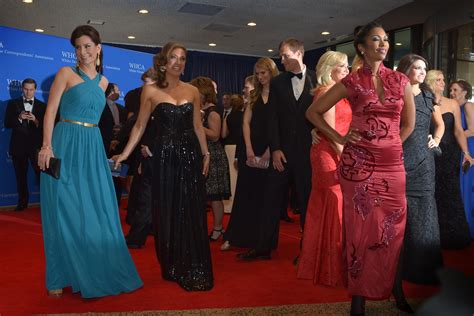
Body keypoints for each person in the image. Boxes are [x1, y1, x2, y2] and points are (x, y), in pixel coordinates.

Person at [306, 22, 415, 315]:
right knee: (361, 232)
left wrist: (390, 145)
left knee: (394, 228)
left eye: (386, 40)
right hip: (358, 167)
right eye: (375, 40)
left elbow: (409, 124)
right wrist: (341, 138)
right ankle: (358, 300)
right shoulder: (352, 82)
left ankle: (397, 290)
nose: (383, 44)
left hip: (392, 166)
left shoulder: (401, 81)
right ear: (361, 47)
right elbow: (313, 112)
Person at [37, 25, 143, 298]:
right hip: (65, 141)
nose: (82, 52)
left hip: (92, 147)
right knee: (62, 210)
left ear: (98, 49)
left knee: (95, 210)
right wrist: (47, 146)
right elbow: (50, 112)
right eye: (77, 47)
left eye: (87, 46)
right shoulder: (65, 74)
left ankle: (93, 268)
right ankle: (59, 274)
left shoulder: (105, 84)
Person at [113, 42, 213, 291]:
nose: (178, 63)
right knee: (168, 210)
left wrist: (206, 153)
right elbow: (139, 126)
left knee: (190, 208)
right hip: (164, 158)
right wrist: (124, 154)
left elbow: (198, 127)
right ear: (163, 61)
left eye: (183, 59)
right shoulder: (151, 91)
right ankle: (173, 263)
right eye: (173, 58)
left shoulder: (192, 91)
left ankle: (193, 262)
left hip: (190, 156)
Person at [237, 38, 316, 261]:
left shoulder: (317, 79)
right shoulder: (279, 82)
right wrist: (276, 148)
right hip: (282, 153)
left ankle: (307, 251)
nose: (281, 60)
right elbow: (272, 119)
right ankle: (263, 248)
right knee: (271, 200)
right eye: (280, 56)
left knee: (307, 201)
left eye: (285, 55)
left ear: (299, 53)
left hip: (309, 152)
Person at [297, 50, 351, 287]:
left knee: (332, 205)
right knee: (333, 203)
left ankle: (326, 264)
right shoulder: (328, 92)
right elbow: (332, 134)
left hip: (334, 150)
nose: (348, 71)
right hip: (330, 154)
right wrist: (347, 161)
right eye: (343, 66)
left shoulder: (337, 92)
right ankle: (330, 268)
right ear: (330, 69)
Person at [395, 54, 445, 287]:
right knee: (400, 215)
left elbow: (440, 124)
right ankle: (398, 267)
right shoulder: (394, 94)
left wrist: (436, 139)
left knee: (425, 213)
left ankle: (425, 269)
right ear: (406, 70)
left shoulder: (427, 96)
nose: (422, 72)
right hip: (399, 160)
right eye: (417, 68)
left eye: (424, 68)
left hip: (425, 163)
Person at [222, 57, 279, 251]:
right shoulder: (254, 97)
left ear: (272, 72)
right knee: (245, 195)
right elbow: (246, 123)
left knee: (266, 198)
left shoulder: (279, 96)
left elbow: (280, 126)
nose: (261, 77)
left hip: (271, 150)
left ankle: (262, 240)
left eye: (264, 72)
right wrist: (248, 149)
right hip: (251, 149)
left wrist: (269, 151)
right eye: (258, 73)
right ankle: (236, 237)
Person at [426, 71, 472, 249]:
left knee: (451, 192)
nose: (443, 83)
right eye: (439, 80)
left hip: (451, 153)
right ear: (430, 82)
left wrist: (466, 152)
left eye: (443, 79)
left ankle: (454, 236)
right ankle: (432, 235)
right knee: (432, 192)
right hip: (430, 152)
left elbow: (459, 131)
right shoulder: (423, 100)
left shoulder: (452, 103)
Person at [190, 76, 231, 242]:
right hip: (200, 154)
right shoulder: (197, 108)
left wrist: (198, 125)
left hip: (213, 156)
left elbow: (215, 135)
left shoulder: (212, 111)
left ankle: (218, 228)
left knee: (215, 197)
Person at [4, 78, 46, 211]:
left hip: (36, 147)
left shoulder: (42, 105)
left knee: (41, 177)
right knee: (20, 176)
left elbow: (47, 127)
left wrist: (36, 121)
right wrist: (19, 118)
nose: (28, 92)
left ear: (35, 89)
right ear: (22, 89)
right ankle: (22, 203)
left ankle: (45, 203)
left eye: (31, 89)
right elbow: (7, 123)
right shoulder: (12, 104)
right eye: (26, 89)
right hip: (18, 146)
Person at [449, 79, 474, 237]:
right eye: (451, 90)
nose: (451, 93)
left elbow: (472, 130)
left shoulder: (468, 106)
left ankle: (468, 229)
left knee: (466, 186)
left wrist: (453, 138)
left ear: (465, 92)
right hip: (458, 149)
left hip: (468, 149)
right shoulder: (453, 106)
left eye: (455, 90)